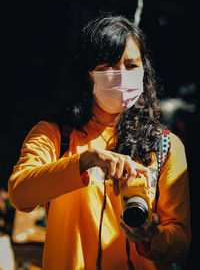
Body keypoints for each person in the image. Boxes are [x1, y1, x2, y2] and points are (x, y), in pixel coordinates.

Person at [8, 14, 191, 270]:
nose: (121, 76)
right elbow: (19, 194)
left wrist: (150, 238)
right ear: (87, 73)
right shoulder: (54, 135)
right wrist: (84, 161)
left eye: (130, 65)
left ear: (144, 70)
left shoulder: (165, 146)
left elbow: (181, 241)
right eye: (108, 66)